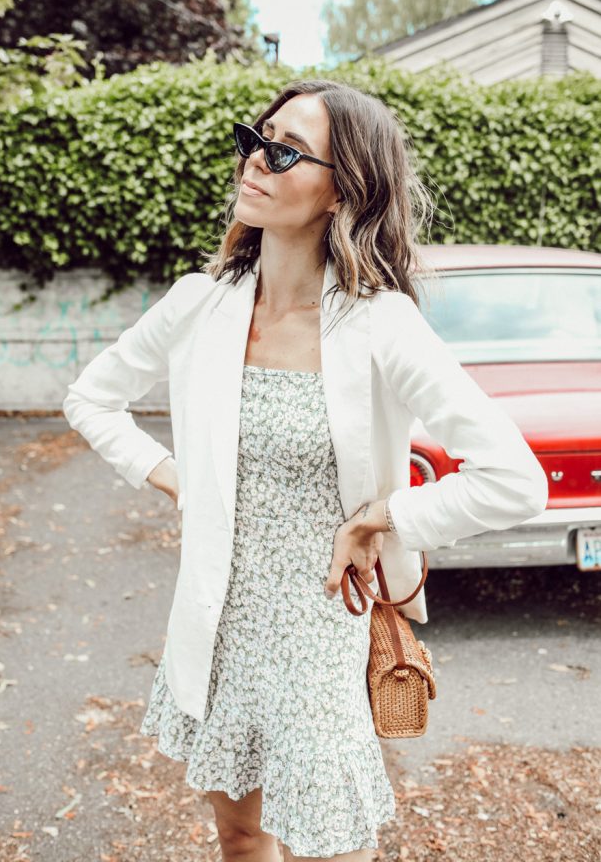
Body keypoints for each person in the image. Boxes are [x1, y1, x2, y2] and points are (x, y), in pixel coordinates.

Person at [63, 79, 548, 862]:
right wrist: (181, 480)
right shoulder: (200, 304)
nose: (255, 159)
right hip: (217, 618)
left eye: (284, 150)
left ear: (340, 189)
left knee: (331, 843)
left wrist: (383, 517)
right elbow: (90, 400)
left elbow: (513, 479)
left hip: (321, 629)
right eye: (253, 137)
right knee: (240, 835)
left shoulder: (378, 323)